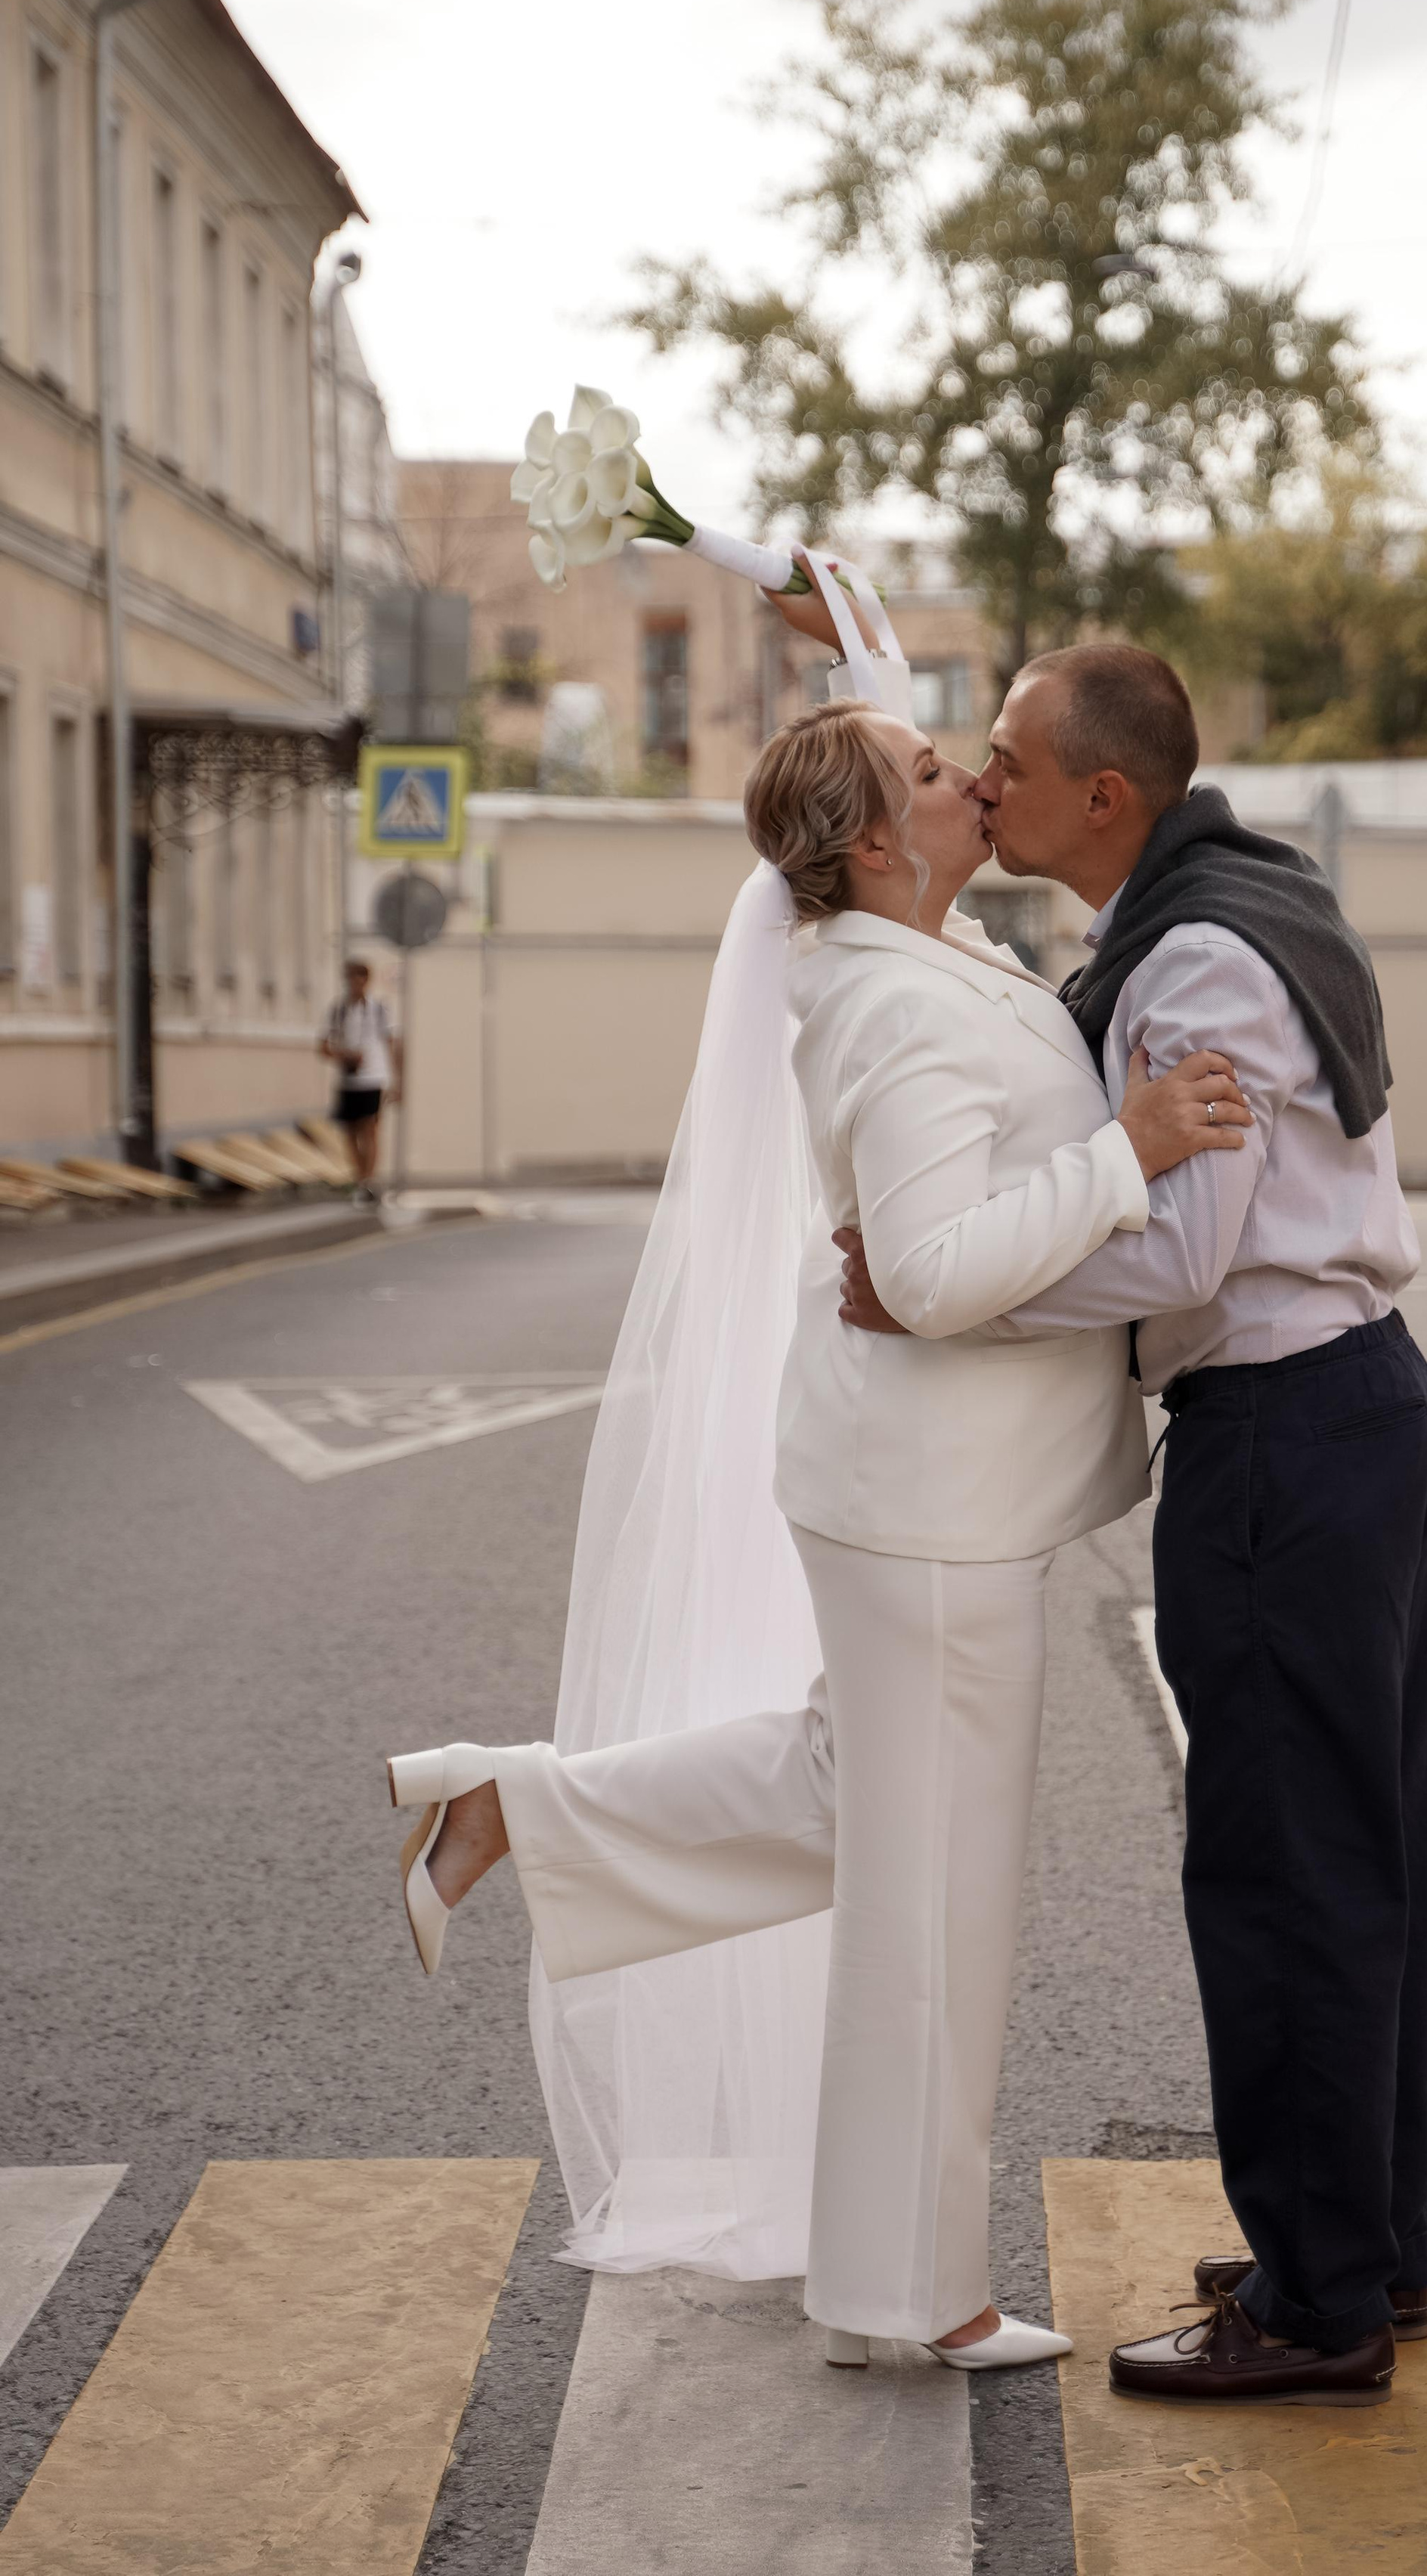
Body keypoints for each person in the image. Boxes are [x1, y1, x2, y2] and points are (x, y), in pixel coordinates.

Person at [382, 684, 1249, 2374]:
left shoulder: (923, 950)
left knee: (848, 1804)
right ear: (871, 840)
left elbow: (927, 1227)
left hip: (915, 1494)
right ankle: (906, 2296)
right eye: (939, 775)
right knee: (935, 1912)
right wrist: (1129, 1151)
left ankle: (504, 1809)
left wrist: (822, 620)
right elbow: (925, 1277)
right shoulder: (890, 1005)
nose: (975, 786)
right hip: (930, 1513)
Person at [834, 641, 1427, 2412]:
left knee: (1283, 1871)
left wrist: (937, 1295)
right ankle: (1360, 2247)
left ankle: (1316, 2300)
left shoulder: (1190, 956)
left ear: (1100, 796)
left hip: (1279, 1432)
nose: (979, 786)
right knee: (1360, 1848)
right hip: (1347, 1411)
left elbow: (1180, 1251)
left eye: (1006, 762)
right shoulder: (1245, 892)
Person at [319, 958, 398, 1198]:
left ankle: (368, 1180)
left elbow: (393, 1043)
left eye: (359, 978)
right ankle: (359, 1176)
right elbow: (324, 1046)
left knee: (370, 1128)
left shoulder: (379, 1009)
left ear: (366, 981)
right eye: (351, 978)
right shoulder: (339, 1010)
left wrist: (396, 1080)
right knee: (350, 1131)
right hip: (348, 1079)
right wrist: (345, 1056)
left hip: (374, 1077)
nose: (355, 983)